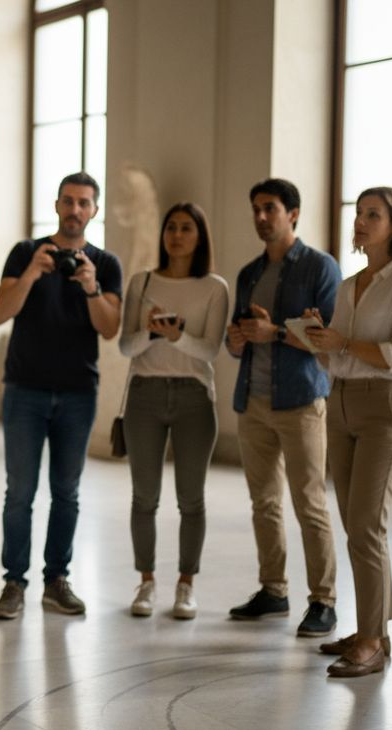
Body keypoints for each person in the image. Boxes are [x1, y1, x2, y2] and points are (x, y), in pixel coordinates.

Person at [302, 186, 392, 677]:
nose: (360, 222)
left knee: (367, 528)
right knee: (359, 528)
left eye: (372, 215)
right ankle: (373, 629)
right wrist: (316, 338)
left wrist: (346, 342)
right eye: (358, 214)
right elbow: (337, 357)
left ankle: (372, 640)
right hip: (341, 403)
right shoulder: (349, 285)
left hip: (386, 409)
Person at [0, 172, 123, 619]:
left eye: (84, 203)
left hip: (77, 393)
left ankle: (56, 580)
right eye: (68, 201)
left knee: (66, 492)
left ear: (94, 211)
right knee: (19, 493)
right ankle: (13, 583)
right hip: (24, 389)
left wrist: (89, 286)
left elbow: (109, 328)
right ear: (56, 205)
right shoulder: (26, 252)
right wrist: (31, 273)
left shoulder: (105, 264)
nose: (74, 210)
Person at [224, 178, 342, 638]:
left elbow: (327, 340)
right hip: (252, 401)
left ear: (293, 213)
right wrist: (236, 340)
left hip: (300, 401)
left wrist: (272, 333)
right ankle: (273, 590)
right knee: (263, 502)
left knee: (309, 502)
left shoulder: (319, 267)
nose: (260, 216)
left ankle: (323, 600)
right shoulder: (249, 273)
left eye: (269, 208)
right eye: (255, 208)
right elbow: (239, 340)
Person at [117, 203, 229, 619]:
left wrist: (177, 335)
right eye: (171, 227)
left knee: (191, 498)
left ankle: (186, 585)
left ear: (200, 236)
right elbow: (126, 347)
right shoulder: (141, 282)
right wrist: (150, 331)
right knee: (144, 496)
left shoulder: (215, 287)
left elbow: (210, 350)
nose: (176, 235)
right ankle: (146, 582)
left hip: (194, 398)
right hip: (144, 395)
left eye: (186, 228)